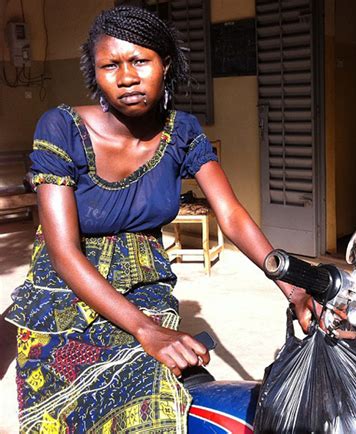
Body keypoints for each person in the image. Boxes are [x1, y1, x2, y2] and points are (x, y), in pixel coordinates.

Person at [5, 6, 314, 433]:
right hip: (65, 296)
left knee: (155, 401)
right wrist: (147, 331)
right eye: (110, 65)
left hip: (143, 288)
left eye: (140, 61)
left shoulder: (182, 131)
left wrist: (295, 286)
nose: (127, 77)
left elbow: (232, 215)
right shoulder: (61, 127)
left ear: (165, 65)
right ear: (95, 73)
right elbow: (63, 253)